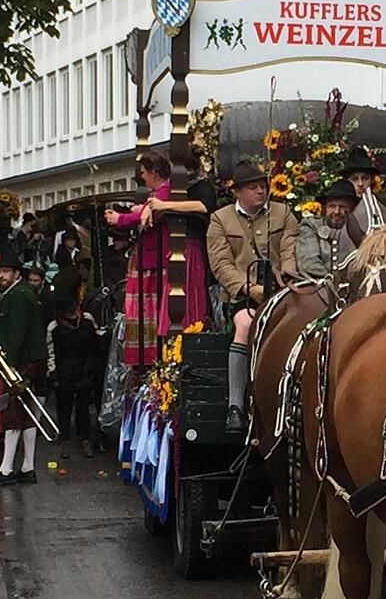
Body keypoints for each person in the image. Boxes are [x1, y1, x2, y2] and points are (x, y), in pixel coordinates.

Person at [206, 160, 298, 434]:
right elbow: (221, 265)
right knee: (246, 325)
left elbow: (290, 249)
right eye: (253, 187)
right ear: (238, 191)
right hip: (241, 296)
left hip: (283, 290)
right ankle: (235, 406)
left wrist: (287, 277)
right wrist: (251, 289)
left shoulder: (283, 213)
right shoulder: (219, 219)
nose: (261, 191)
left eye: (263, 186)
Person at [0, 247, 49, 487]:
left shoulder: (18, 295)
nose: (1, 275)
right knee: (27, 413)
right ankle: (27, 466)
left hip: (23, 361)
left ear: (16, 273)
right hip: (31, 359)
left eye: (6, 271)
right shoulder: (18, 292)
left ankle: (8, 468)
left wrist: (9, 362)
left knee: (13, 412)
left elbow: (17, 332)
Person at [104, 151, 171, 366]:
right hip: (149, 259)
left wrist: (120, 218)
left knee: (147, 311)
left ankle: (149, 358)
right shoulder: (158, 193)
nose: (142, 177)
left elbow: (152, 211)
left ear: (153, 172)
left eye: (144, 172)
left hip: (155, 261)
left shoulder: (165, 191)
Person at [144, 147, 217, 326]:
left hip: (193, 244)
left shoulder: (201, 184)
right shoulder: (178, 186)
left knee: (191, 289)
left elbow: (203, 206)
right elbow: (158, 199)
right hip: (178, 245)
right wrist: (149, 207)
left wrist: (165, 206)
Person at [47, 297, 103, 458]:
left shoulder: (86, 321)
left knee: (83, 408)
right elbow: (50, 350)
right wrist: (52, 371)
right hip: (64, 370)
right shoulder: (54, 327)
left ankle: (85, 439)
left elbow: (95, 342)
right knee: (64, 408)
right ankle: (66, 439)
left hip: (84, 368)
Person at [295, 179, 359, 278]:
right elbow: (308, 264)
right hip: (319, 287)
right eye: (332, 206)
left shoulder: (359, 231)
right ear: (325, 208)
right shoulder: (311, 226)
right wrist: (333, 281)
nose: (337, 211)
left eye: (342, 207)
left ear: (352, 209)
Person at [26, 265, 55, 333]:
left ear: (43, 281)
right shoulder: (25, 292)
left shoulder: (49, 296)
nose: (32, 283)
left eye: (36, 281)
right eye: (30, 280)